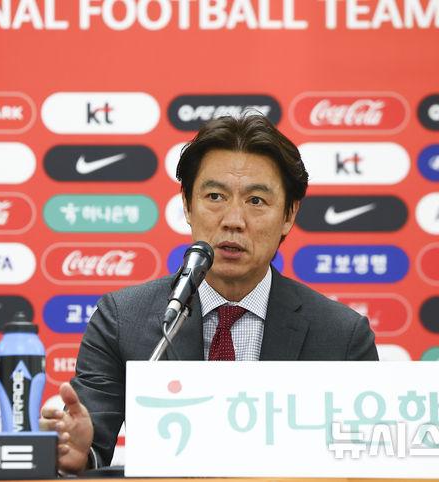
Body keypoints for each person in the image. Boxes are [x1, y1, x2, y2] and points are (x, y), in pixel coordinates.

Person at [40, 114, 379, 473]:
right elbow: (89, 443)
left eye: (256, 201)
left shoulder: (341, 336)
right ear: (187, 205)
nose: (233, 220)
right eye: (215, 196)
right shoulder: (123, 319)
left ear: (288, 215)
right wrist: (77, 453)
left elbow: (368, 466)